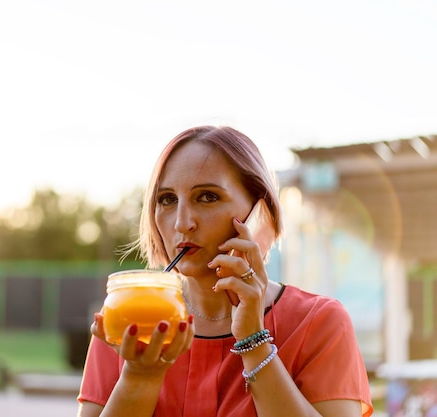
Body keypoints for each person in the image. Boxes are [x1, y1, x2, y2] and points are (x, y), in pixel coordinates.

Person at [77, 125, 373, 417]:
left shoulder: (318, 322)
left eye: (207, 197)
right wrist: (139, 378)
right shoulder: (130, 317)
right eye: (167, 199)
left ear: (260, 212)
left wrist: (254, 342)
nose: (182, 223)